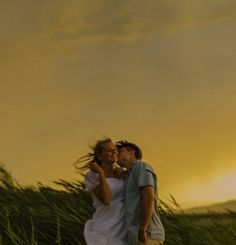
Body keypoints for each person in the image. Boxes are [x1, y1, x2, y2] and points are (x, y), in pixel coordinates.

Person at [75, 138, 126, 245]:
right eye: (109, 150)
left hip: (121, 227)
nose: (114, 152)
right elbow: (106, 199)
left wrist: (125, 174)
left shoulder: (121, 174)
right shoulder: (92, 176)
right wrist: (101, 174)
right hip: (105, 227)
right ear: (99, 155)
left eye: (115, 150)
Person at [116, 140, 165, 245]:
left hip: (147, 234)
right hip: (136, 234)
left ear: (131, 152)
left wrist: (143, 229)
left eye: (120, 151)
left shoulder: (141, 167)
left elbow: (148, 198)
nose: (117, 154)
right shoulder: (130, 173)